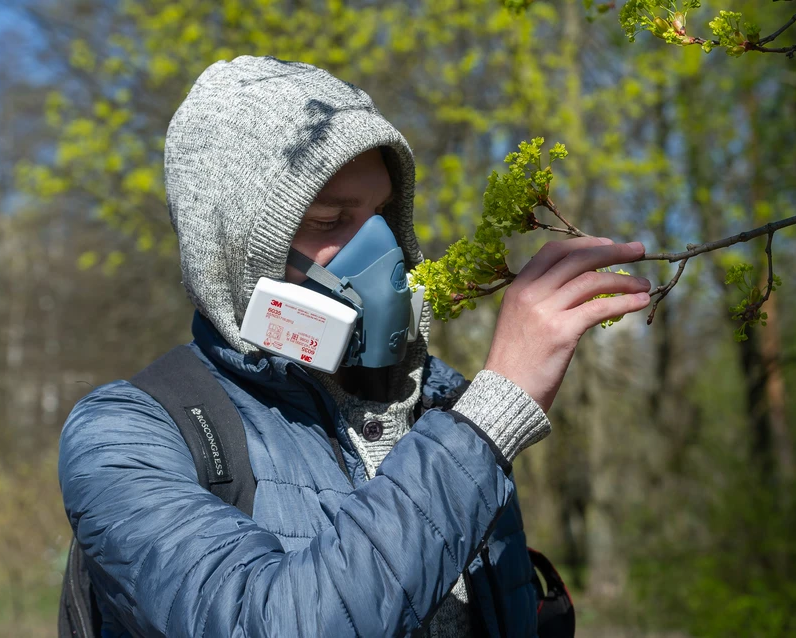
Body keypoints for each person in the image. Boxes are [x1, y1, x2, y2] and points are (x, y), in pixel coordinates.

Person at [58, 55, 651, 638]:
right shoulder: (127, 434)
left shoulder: (444, 403)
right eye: (329, 220)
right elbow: (268, 623)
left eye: (381, 214)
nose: (379, 248)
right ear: (236, 248)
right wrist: (490, 419)